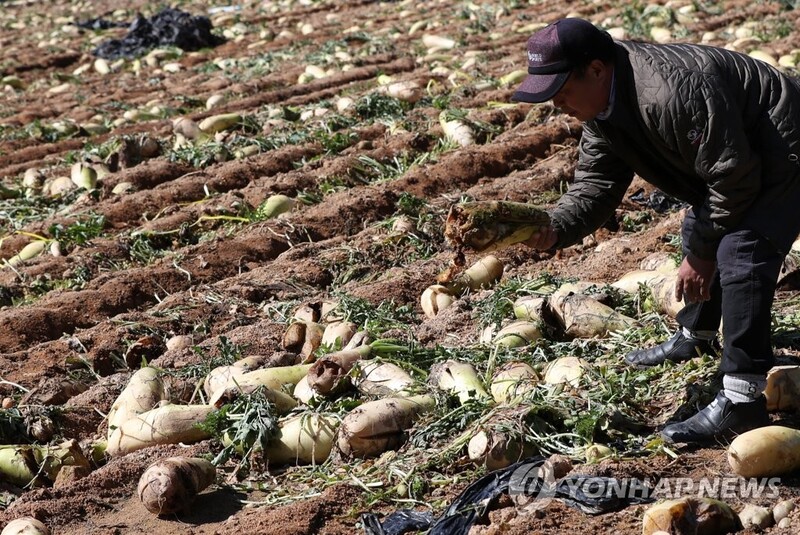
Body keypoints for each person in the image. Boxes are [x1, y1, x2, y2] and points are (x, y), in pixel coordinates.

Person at [512, 17, 800, 444]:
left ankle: (742, 400)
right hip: (739, 157)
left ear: (596, 69)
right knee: (701, 223)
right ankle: (697, 334)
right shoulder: (602, 108)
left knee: (742, 251)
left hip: (786, 146)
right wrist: (556, 228)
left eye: (561, 90)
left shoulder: (668, 93)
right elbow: (596, 183)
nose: (557, 104)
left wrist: (701, 256)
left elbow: (734, 178)